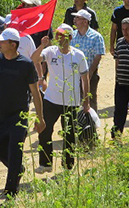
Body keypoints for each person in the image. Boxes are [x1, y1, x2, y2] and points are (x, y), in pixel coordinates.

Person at [0, 28, 45, 197]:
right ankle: (17, 170)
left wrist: (40, 117)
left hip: (19, 115)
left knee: (15, 152)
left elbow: (35, 92)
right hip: (0, 115)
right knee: (0, 150)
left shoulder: (26, 64)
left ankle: (10, 191)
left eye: (2, 41)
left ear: (13, 44)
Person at [32, 24, 89, 172]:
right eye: (57, 34)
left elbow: (85, 78)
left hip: (71, 101)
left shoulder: (78, 55)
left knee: (69, 134)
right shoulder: (50, 51)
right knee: (44, 130)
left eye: (62, 35)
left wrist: (86, 100)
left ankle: (68, 166)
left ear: (70, 37)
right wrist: (41, 45)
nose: (58, 38)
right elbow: (34, 58)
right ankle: (46, 163)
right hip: (51, 99)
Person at [71, 9, 105, 111]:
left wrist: (89, 73)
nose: (74, 20)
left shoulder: (96, 37)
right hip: (74, 74)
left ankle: (92, 123)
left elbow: (97, 56)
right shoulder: (72, 35)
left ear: (85, 22)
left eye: (77, 18)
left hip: (90, 74)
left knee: (90, 98)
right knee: (75, 99)